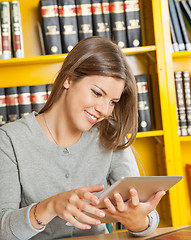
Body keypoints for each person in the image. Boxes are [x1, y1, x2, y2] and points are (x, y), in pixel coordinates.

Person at [0, 36, 165, 240]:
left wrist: (138, 221)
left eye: (113, 102)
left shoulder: (110, 135)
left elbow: (147, 216)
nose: (104, 110)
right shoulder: (9, 140)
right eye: (97, 93)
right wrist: (50, 206)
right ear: (69, 79)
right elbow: (3, 230)